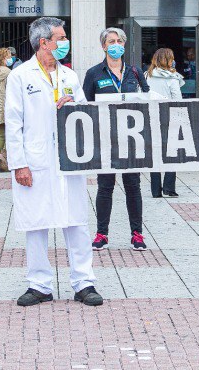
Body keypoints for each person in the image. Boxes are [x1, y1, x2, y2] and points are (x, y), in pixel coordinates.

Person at [7, 17, 103, 307]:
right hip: (34, 159)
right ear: (43, 42)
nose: (64, 43)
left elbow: (85, 114)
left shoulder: (70, 76)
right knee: (36, 223)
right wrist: (19, 164)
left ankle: (84, 283)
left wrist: (74, 106)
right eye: (60, 38)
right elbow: (13, 123)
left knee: (76, 220)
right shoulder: (20, 76)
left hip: (68, 158)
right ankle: (39, 285)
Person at [82, 27, 150, 251]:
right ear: (103, 46)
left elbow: (147, 99)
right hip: (105, 139)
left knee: (133, 186)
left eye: (119, 41)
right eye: (111, 41)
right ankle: (102, 233)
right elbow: (84, 106)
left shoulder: (135, 72)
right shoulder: (94, 74)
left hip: (131, 140)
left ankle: (137, 234)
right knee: (105, 187)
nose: (116, 44)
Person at [146, 47, 184, 199]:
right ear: (168, 60)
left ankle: (156, 190)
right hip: (169, 119)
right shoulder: (172, 78)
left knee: (154, 154)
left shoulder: (146, 75)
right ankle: (169, 187)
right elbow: (178, 100)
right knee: (171, 153)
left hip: (151, 118)